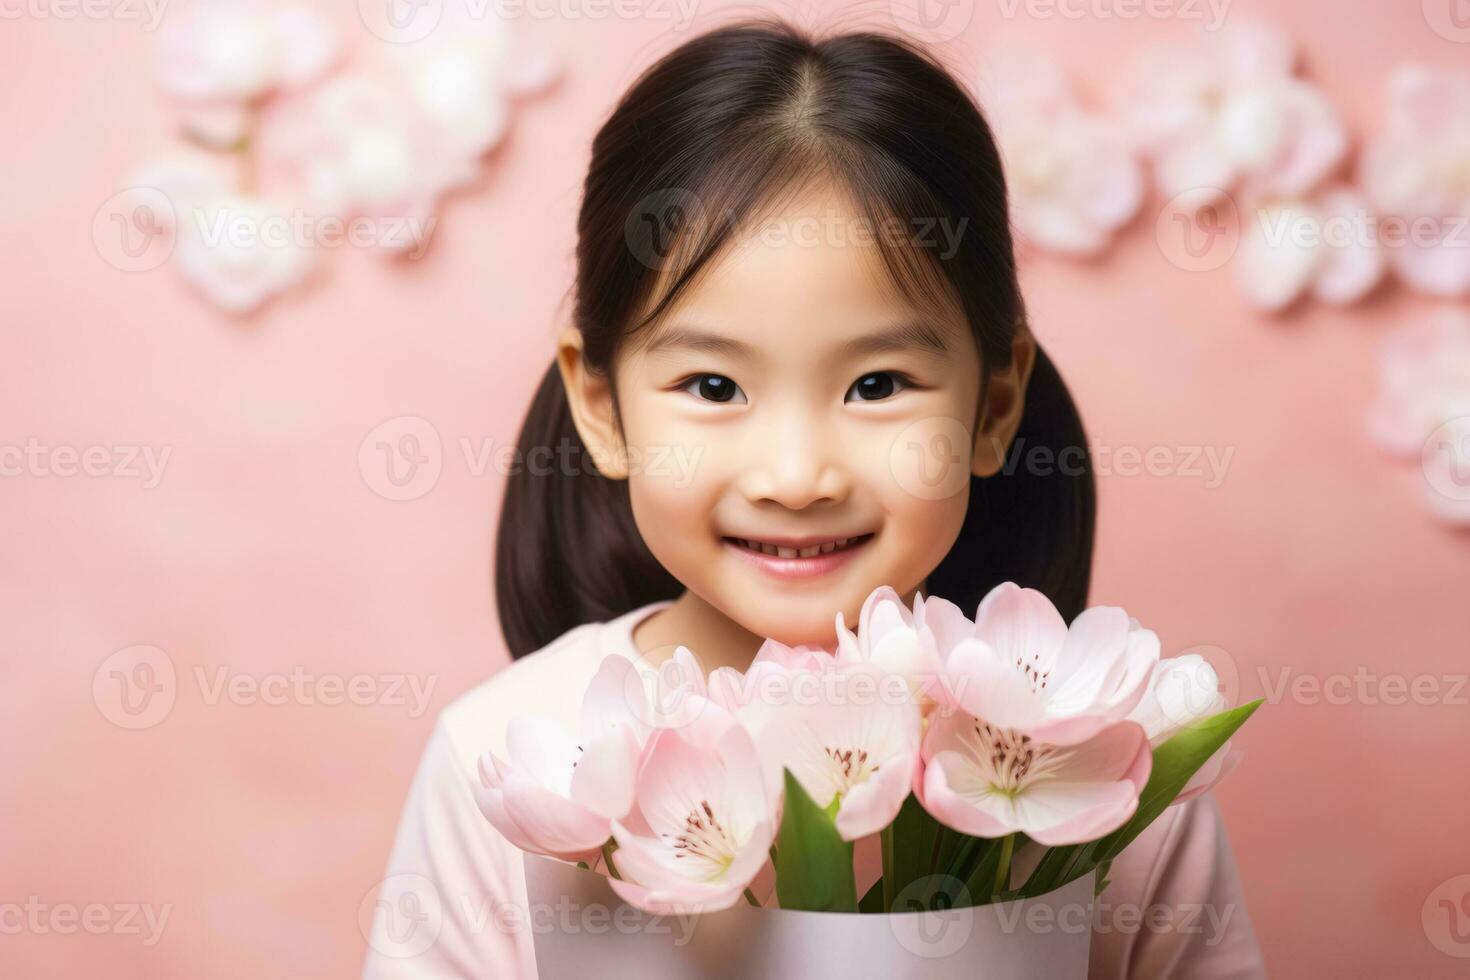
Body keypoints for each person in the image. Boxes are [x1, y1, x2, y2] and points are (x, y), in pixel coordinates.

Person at [363, 17, 1265, 978]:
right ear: (602, 405)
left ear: (993, 403)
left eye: (878, 385)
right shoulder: (504, 762)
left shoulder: (1109, 760)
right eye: (714, 388)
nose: (796, 478)